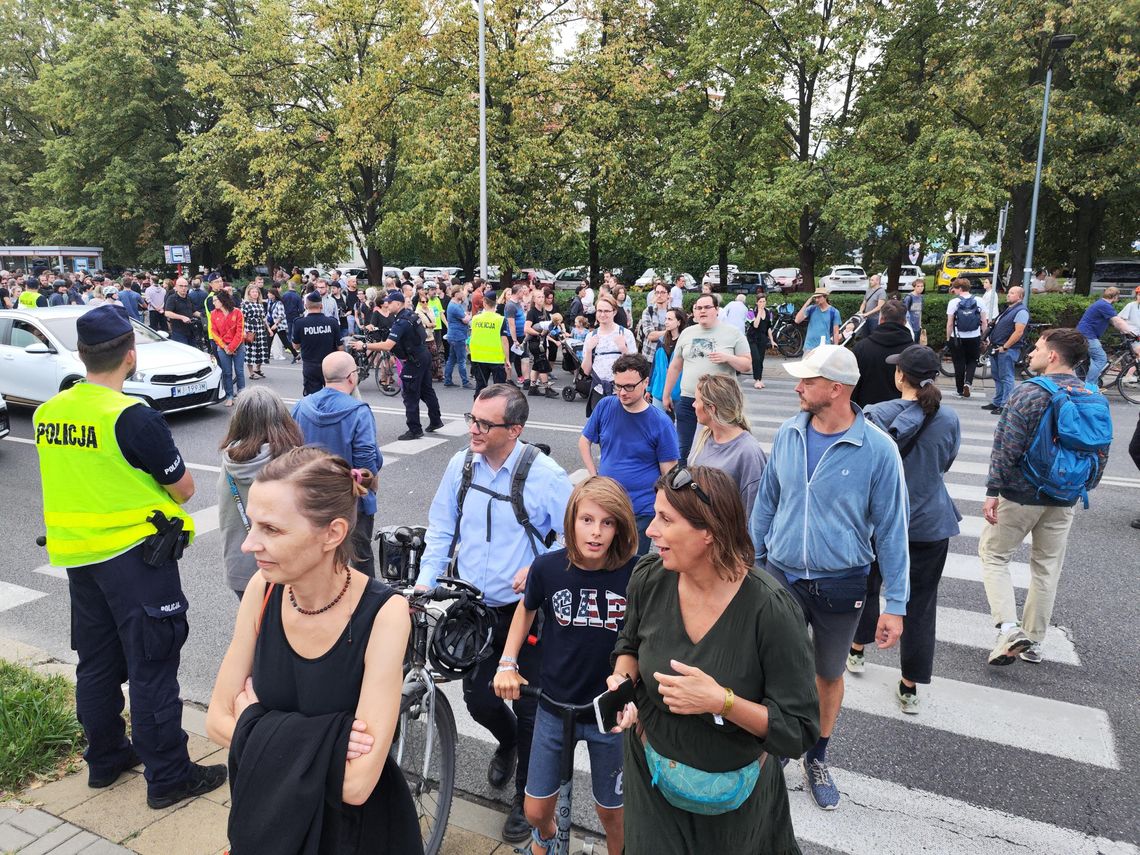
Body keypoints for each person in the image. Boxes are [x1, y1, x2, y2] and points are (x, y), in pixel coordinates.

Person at [33, 304, 226, 809]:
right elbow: (182, 489)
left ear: (81, 354)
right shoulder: (132, 417)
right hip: (137, 560)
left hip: (79, 558)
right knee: (152, 668)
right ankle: (169, 777)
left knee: (95, 665)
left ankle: (106, 760)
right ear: (131, 357)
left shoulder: (49, 412)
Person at [205, 448, 421, 854]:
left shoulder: (385, 614)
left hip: (351, 836)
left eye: (272, 529)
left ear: (332, 533)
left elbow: (357, 785)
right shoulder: (262, 591)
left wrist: (253, 721)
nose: (250, 544)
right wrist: (329, 743)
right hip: (268, 825)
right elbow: (215, 720)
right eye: (252, 525)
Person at [610, 465, 820, 854]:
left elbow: (799, 730)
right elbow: (629, 644)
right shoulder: (650, 578)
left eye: (665, 520)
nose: (651, 531)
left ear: (708, 531)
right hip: (651, 778)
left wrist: (721, 701)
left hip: (734, 803)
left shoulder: (771, 610)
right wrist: (623, 682)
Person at [749, 344, 908, 810]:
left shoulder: (878, 449)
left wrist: (895, 604)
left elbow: (893, 531)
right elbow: (766, 504)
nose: (797, 387)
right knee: (773, 668)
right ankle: (777, 744)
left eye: (807, 381)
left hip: (841, 581)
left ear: (835, 389)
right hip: (780, 574)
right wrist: (751, 565)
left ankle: (816, 755)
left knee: (827, 673)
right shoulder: (788, 433)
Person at [416, 384, 573, 841]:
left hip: (525, 614)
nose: (474, 430)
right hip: (473, 610)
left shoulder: (545, 476)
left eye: (485, 424)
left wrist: (538, 568)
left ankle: (528, 797)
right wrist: (428, 581)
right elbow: (442, 524)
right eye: (472, 419)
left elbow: (574, 537)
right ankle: (506, 744)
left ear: (515, 429)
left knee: (530, 708)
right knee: (480, 698)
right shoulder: (460, 464)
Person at [493, 477, 638, 855]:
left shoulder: (636, 573)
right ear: (571, 520)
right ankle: (546, 836)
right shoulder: (547, 568)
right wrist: (507, 662)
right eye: (587, 520)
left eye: (608, 523)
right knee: (536, 809)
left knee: (613, 813)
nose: (596, 532)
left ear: (620, 527)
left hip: (608, 713)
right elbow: (525, 611)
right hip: (553, 706)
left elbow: (640, 637)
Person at [980, 329, 1107, 666]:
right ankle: (1034, 640)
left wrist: (993, 490)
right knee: (1047, 568)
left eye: (1037, 348)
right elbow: (1100, 450)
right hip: (1065, 496)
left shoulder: (1029, 393)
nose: (1031, 353)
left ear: (1053, 356)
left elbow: (1007, 447)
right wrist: (1081, 488)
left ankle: (1009, 629)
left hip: (1022, 493)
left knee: (994, 556)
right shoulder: (1093, 395)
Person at [848, 345, 962, 713]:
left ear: (900, 377)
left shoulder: (875, 415)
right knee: (921, 604)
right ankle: (910, 686)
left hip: (882, 525)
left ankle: (858, 649)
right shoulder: (949, 418)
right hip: (930, 524)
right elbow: (946, 462)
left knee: (867, 586)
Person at [292, 352, 384, 577]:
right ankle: (363, 607)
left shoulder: (302, 406)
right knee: (360, 557)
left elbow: (291, 452)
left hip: (312, 497)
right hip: (352, 500)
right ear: (352, 377)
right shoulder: (358, 411)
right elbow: (366, 463)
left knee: (320, 554)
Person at [580, 354, 679, 555]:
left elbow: (669, 474)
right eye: (617, 386)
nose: (622, 393)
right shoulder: (606, 406)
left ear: (645, 383)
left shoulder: (661, 423)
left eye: (629, 387)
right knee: (602, 558)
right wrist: (593, 476)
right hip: (606, 503)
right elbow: (584, 441)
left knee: (630, 564)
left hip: (640, 510)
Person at [217, 387, 304, 598]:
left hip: (241, 563)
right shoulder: (293, 462)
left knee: (254, 627)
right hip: (286, 566)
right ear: (281, 418)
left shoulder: (229, 460)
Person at [663, 293, 751, 460]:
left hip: (718, 402)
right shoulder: (687, 333)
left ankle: (713, 480)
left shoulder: (732, 333)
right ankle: (685, 483)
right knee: (683, 447)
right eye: (698, 308)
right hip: (689, 398)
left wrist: (728, 358)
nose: (702, 311)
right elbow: (675, 366)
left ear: (716, 310)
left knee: (718, 445)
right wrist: (666, 394)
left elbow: (747, 364)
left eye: (707, 307)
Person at [351, 290, 443, 440]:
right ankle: (436, 420)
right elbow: (421, 335)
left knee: (409, 394)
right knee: (427, 390)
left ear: (398, 304)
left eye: (390, 302)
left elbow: (388, 345)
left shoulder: (402, 321)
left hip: (414, 360)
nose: (387, 304)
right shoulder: (411, 315)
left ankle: (414, 429)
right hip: (423, 355)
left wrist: (365, 346)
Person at [688, 374, 768, 515]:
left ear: (711, 408)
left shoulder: (748, 452)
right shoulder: (703, 431)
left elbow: (754, 509)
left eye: (696, 401)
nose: (693, 405)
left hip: (726, 534)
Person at [581, 295, 638, 417]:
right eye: (600, 311)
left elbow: (636, 367)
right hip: (598, 390)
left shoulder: (626, 334)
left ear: (614, 312)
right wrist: (590, 350)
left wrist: (623, 349)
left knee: (620, 430)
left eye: (607, 311)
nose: (603, 314)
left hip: (621, 391)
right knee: (599, 431)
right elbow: (586, 370)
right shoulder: (590, 336)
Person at [851, 300, 914, 407]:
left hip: (866, 413)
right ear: (904, 322)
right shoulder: (914, 352)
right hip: (902, 414)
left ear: (881, 320)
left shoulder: (861, 348)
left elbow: (852, 386)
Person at [983, 285, 1030, 414]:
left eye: (1012, 293)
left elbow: (1018, 332)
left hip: (1007, 349)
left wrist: (1005, 347)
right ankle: (997, 402)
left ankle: (1005, 405)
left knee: (1006, 377)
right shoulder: (1009, 309)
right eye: (1009, 292)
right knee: (997, 376)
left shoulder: (1021, 311)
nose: (1008, 294)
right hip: (997, 348)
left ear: (1020, 297)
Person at [1076, 286, 1132, 386]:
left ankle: (1078, 383)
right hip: (1088, 335)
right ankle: (1089, 386)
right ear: (1115, 297)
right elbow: (1117, 321)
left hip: (1083, 334)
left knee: (1086, 361)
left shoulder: (1101, 304)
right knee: (1100, 359)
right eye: (1118, 296)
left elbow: (1115, 322)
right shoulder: (1105, 305)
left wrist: (1124, 330)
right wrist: (1132, 332)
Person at [292, 290, 343, 396]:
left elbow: (296, 346)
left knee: (313, 398)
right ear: (321, 306)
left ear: (305, 306)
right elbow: (340, 347)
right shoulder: (332, 322)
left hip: (310, 366)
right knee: (332, 396)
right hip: (330, 365)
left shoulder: (299, 323)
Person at [945, 278, 988, 398]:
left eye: (955, 288)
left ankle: (959, 390)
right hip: (974, 336)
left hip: (957, 337)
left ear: (959, 288)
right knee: (972, 361)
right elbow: (984, 322)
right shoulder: (979, 300)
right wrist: (985, 337)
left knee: (959, 363)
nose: (954, 290)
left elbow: (949, 323)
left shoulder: (953, 302)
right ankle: (968, 383)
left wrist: (948, 338)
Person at [210, 289, 247, 408]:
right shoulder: (213, 314)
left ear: (222, 301)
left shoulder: (237, 312)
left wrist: (231, 347)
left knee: (239, 371)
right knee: (227, 373)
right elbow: (214, 333)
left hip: (238, 346)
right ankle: (229, 396)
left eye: (215, 300)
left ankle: (242, 395)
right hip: (223, 347)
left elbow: (240, 332)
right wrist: (225, 347)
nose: (214, 303)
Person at [649, 307, 686, 413]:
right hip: (659, 390)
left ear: (679, 322)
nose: (666, 322)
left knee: (678, 426)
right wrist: (649, 388)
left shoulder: (685, 342)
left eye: (670, 319)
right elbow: (654, 366)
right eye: (665, 319)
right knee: (657, 423)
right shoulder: (661, 341)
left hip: (679, 392)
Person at [524, 289, 560, 398]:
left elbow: (547, 326)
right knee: (543, 363)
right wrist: (538, 334)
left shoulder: (543, 312)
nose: (541, 299)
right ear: (534, 299)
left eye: (542, 297)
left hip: (542, 341)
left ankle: (532, 387)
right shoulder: (532, 312)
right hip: (535, 343)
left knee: (536, 365)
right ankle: (547, 388)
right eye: (538, 297)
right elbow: (526, 328)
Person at [444, 284, 473, 388]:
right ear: (456, 294)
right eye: (461, 292)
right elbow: (465, 320)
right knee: (461, 360)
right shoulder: (455, 306)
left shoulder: (453, 304)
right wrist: (469, 316)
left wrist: (466, 315)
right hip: (458, 336)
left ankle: (447, 380)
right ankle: (465, 382)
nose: (463, 294)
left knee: (451, 359)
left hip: (453, 335)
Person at [241, 283, 272, 380]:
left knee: (262, 350)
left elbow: (263, 318)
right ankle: (251, 373)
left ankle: (257, 369)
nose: (255, 294)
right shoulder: (245, 304)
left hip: (260, 329)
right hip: (249, 328)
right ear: (249, 293)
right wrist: (243, 331)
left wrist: (269, 329)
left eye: (256, 292)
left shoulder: (260, 305)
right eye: (253, 292)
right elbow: (241, 318)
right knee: (250, 351)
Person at [746, 292, 775, 389]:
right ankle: (756, 379)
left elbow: (768, 328)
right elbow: (755, 325)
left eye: (764, 301)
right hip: (753, 338)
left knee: (761, 359)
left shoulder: (768, 313)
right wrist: (759, 312)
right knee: (756, 358)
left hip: (762, 338)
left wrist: (772, 340)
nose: (762, 303)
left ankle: (760, 379)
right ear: (757, 302)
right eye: (760, 301)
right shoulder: (751, 312)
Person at [637, 282, 671, 363]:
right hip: (650, 357)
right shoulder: (648, 311)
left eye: (663, 292)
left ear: (669, 294)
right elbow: (650, 336)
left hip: (668, 356)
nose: (659, 295)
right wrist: (670, 331)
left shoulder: (673, 312)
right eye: (657, 292)